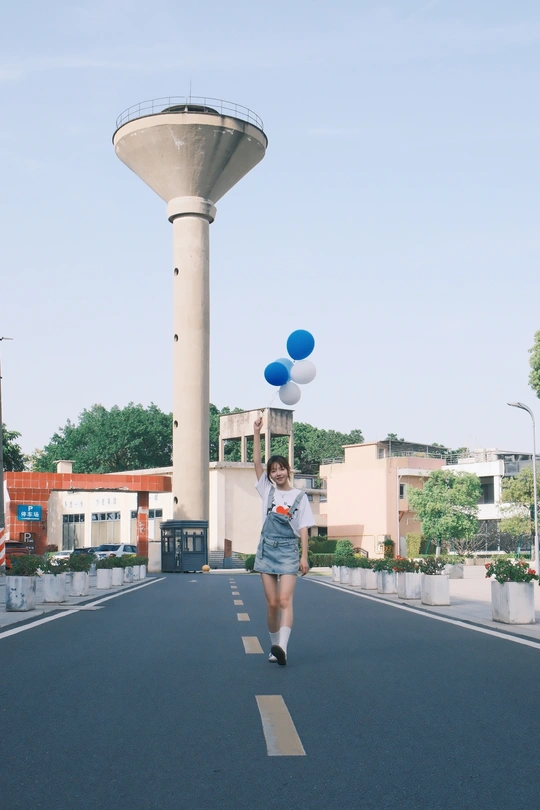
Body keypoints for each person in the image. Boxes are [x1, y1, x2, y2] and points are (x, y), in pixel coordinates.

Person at [253, 414, 314, 666]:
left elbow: (304, 527)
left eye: (281, 468)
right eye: (273, 470)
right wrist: (257, 433)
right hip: (267, 549)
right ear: (269, 475)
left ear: (288, 470)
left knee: (285, 601)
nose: (277, 473)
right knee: (272, 604)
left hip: (289, 550)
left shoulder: (300, 496)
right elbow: (256, 461)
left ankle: (283, 648)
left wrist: (304, 556)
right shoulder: (267, 490)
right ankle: (274, 646)